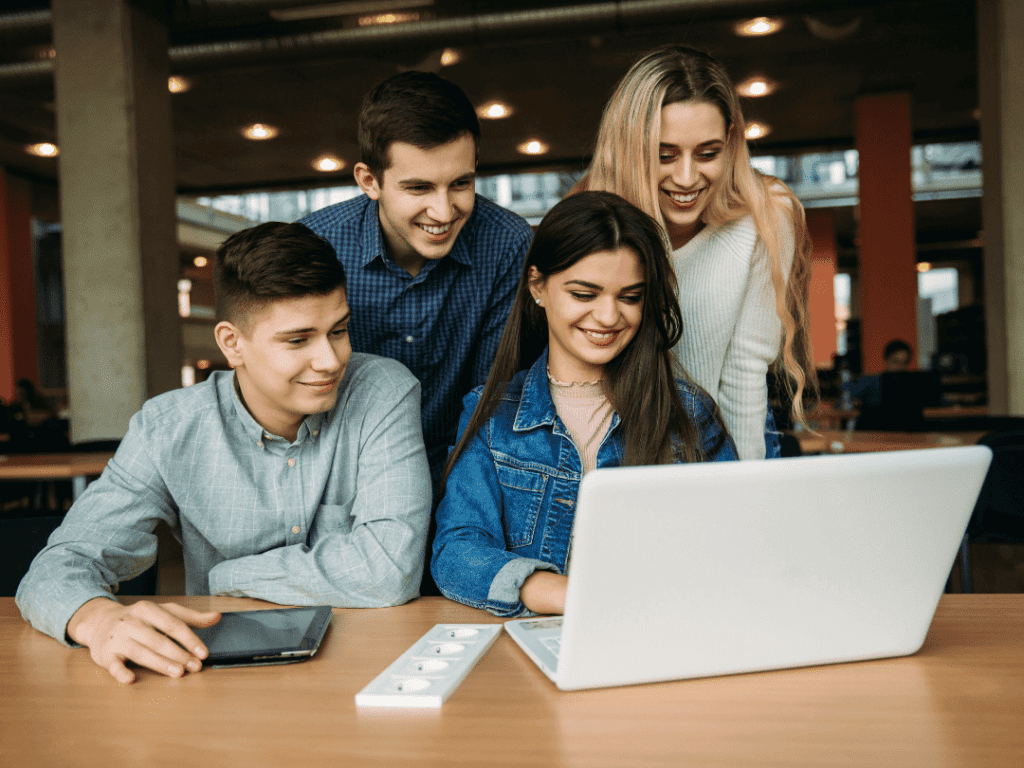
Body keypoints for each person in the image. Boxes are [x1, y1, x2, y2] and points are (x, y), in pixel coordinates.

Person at [17, 222, 431, 684]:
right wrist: (96, 619)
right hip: (219, 678)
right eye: (298, 340)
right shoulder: (168, 428)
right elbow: (57, 567)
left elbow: (389, 570)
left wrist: (229, 575)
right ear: (232, 344)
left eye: (339, 330)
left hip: (366, 662)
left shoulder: (382, 391)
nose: (332, 360)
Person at [431, 191, 737, 618]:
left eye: (630, 297)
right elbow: (456, 552)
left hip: (664, 632)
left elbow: (733, 546)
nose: (609, 316)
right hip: (541, 638)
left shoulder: (689, 414)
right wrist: (561, 593)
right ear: (538, 286)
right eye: (584, 293)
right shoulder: (492, 413)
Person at [576, 45, 816, 460]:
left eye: (708, 153)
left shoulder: (766, 213)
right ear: (631, 148)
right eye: (663, 155)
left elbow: (745, 376)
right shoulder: (596, 216)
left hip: (729, 444)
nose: (686, 178)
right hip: (619, 445)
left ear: (731, 142)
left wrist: (741, 496)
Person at [300, 71, 534, 493]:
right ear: (369, 180)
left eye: (460, 184)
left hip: (463, 478)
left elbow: (492, 398)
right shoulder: (315, 244)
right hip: (339, 482)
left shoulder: (509, 245)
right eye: (419, 188)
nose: (443, 212)